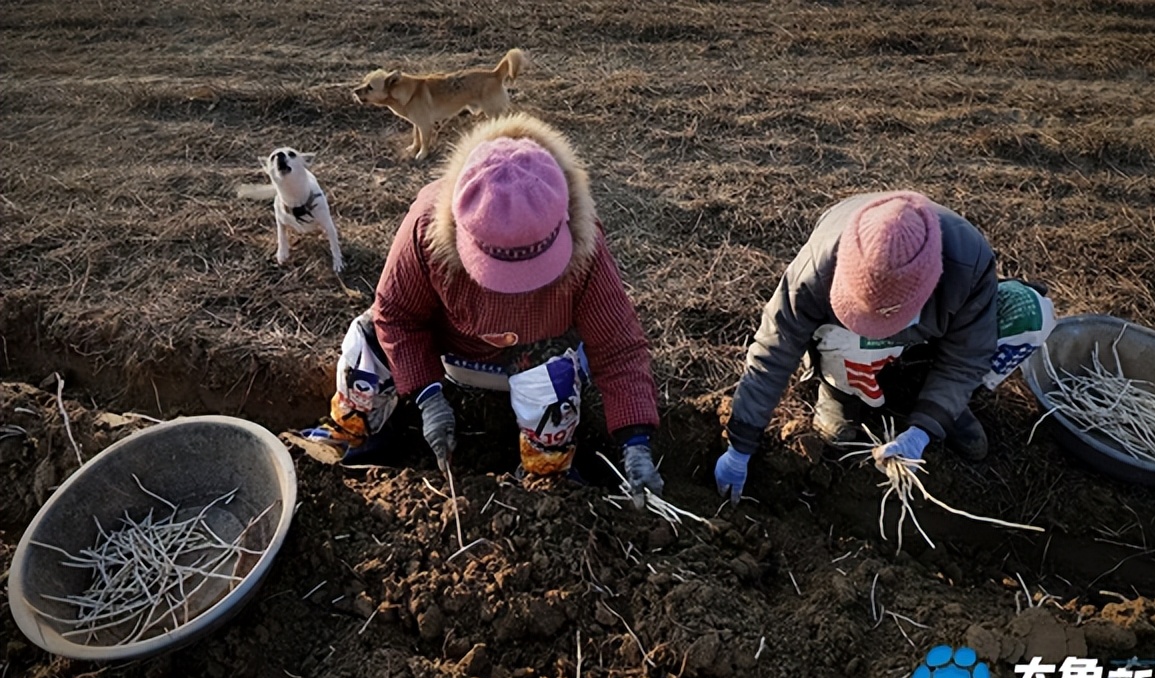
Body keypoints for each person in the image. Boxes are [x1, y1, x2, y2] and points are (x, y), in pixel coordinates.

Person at [307, 113, 664, 507]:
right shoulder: (427, 225)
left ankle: (544, 476)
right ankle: (353, 434)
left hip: (531, 357)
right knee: (367, 340)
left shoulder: (586, 246)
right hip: (448, 344)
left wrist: (636, 443)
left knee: (553, 382)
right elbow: (396, 313)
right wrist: (427, 395)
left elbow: (618, 346)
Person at [713, 191, 1055, 504]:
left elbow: (967, 355)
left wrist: (925, 428)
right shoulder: (820, 264)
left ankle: (943, 403)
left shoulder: (968, 263)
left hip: (935, 330)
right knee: (841, 337)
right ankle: (840, 395)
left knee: (1032, 315)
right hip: (853, 341)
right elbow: (775, 347)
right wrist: (741, 445)